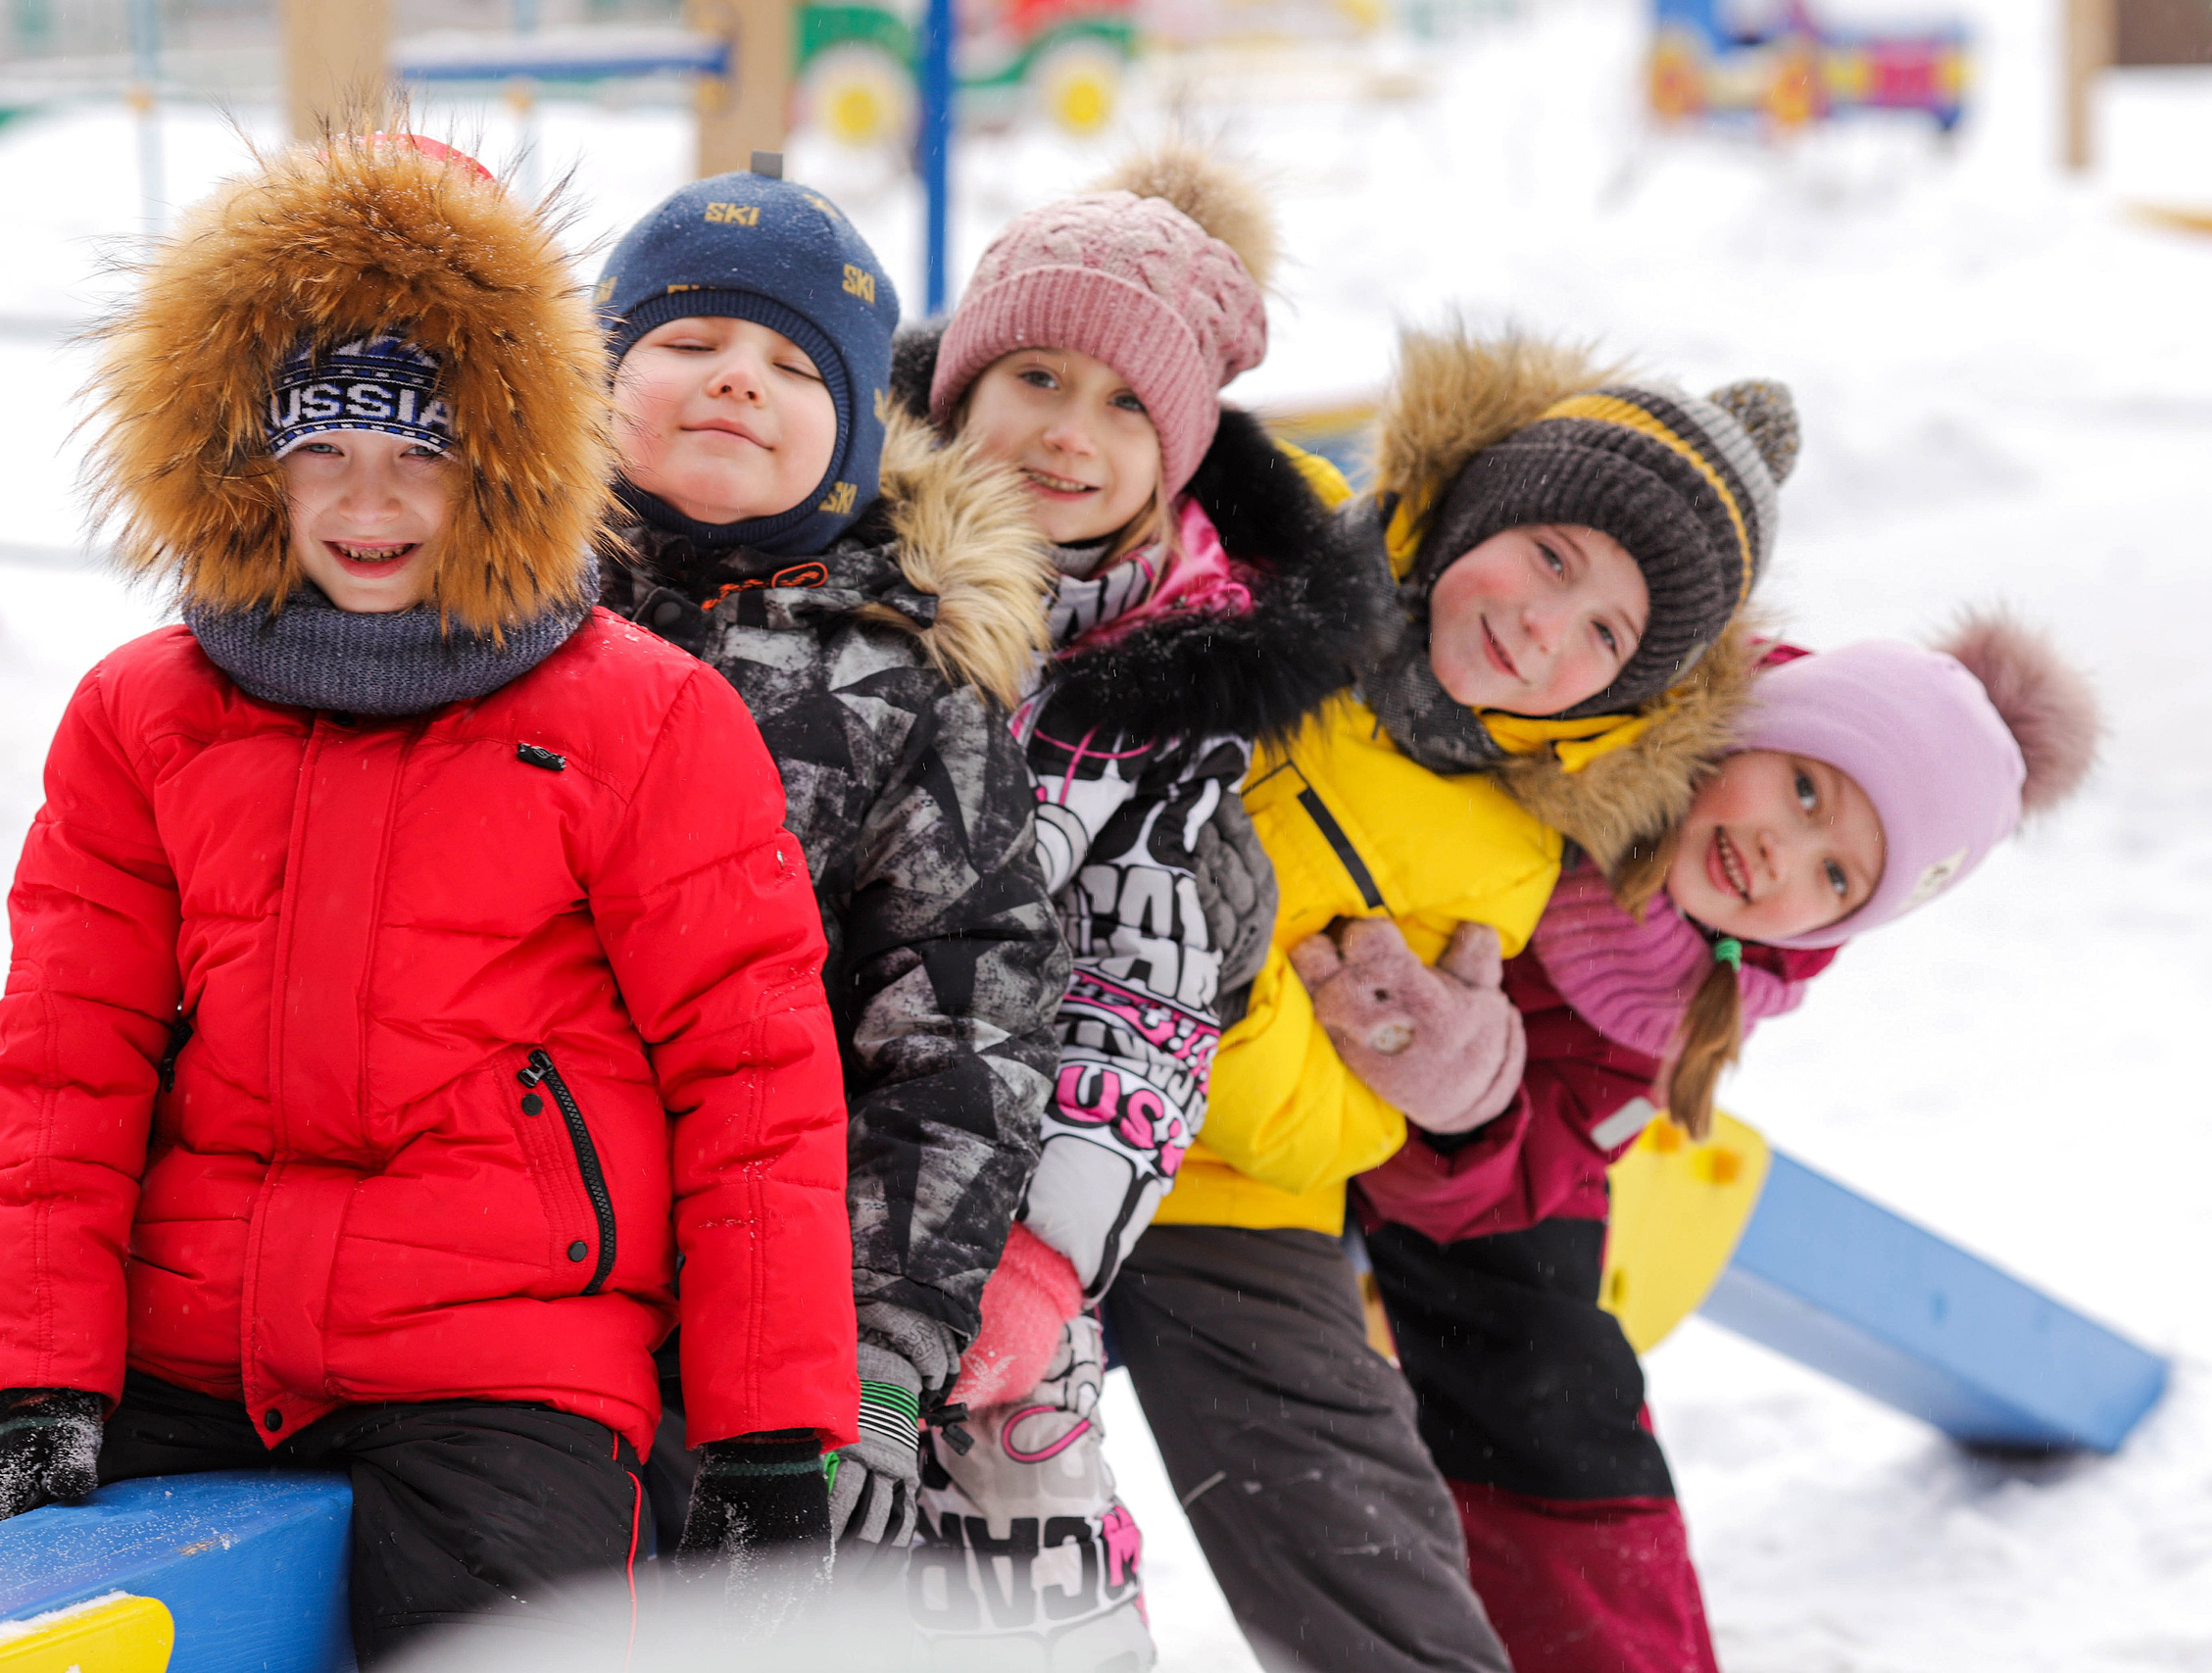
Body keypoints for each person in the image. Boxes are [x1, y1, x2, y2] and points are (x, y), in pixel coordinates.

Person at [0, 135, 859, 1659]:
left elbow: (752, 1075)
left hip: (507, 1358)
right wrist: (39, 1382)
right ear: (242, 457)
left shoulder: (647, 718)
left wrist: (767, 1426)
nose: (370, 500)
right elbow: (64, 1060)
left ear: (506, 459)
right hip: (191, 1345)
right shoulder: (146, 714)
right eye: (321, 448)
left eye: (423, 450)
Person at [1109, 327, 1800, 1673]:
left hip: (1232, 1188)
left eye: (1608, 630)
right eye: (1548, 554)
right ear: (1476, 499)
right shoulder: (1262, 544)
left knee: (1360, 1520)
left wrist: (1242, 1008)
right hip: (998, 1105)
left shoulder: (1508, 848)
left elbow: (1351, 1136)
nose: (1545, 628)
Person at [1339, 613, 2101, 1673]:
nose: (1780, 856)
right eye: (1803, 789)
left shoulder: (1677, 997)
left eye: (1836, 879)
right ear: (1744, 723)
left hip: (1431, 1137)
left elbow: (1523, 1175)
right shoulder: (1580, 703)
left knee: (1546, 1382)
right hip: (1264, 981)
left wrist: (1462, 1105)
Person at [888, 144, 1376, 1671]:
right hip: (780, 1167)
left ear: (1177, 454)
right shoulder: (840, 581)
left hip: (1007, 1221)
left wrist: (1040, 1259)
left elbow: (1141, 1011)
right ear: (958, 386)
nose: (1070, 432)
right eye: (1036, 372)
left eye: (1125, 406)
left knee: (1017, 1538)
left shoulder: (1171, 710)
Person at [593, 161, 1068, 1576]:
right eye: (685, 342)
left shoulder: (904, 686)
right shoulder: (494, 609)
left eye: (795, 364)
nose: (736, 377)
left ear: (856, 444)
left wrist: (874, 1349)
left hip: (763, 1303)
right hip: (495, 1271)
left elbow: (965, 1030)